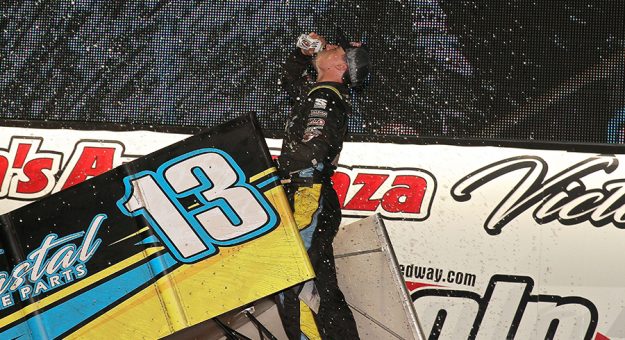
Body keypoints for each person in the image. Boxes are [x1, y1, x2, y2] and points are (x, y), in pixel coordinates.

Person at [275, 32, 370, 340]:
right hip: (310, 194)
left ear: (340, 64)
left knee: (291, 280)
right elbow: (287, 81)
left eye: (332, 49)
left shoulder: (325, 97)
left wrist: (286, 179)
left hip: (307, 194)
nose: (325, 47)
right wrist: (302, 55)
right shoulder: (319, 92)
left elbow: (312, 148)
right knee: (322, 287)